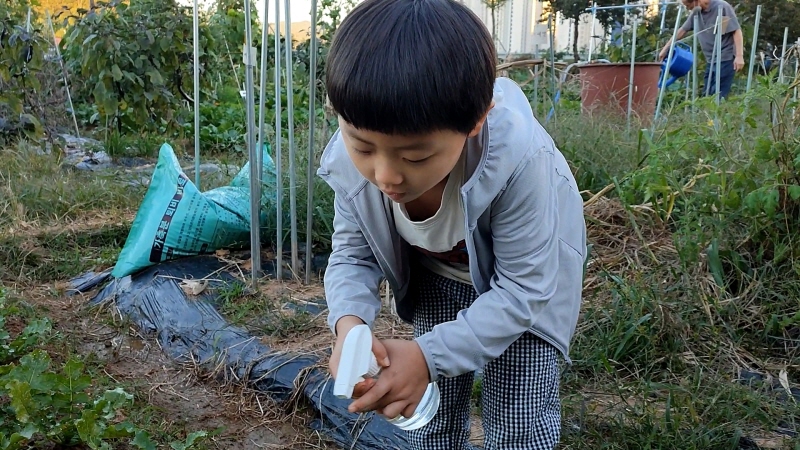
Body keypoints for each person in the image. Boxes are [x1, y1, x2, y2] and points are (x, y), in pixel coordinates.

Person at [317, 0, 587, 449]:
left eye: (416, 156)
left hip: (528, 290)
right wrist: (350, 326)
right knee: (430, 414)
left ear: (476, 121)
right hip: (439, 272)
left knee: (517, 416)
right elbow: (352, 254)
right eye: (363, 147)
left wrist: (425, 355)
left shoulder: (520, 164)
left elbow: (523, 290)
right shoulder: (353, 166)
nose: (386, 175)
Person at [658, 0, 745, 99]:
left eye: (688, 5)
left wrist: (739, 56)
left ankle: (718, 113)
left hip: (725, 56)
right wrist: (665, 49)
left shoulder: (721, 7)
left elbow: (736, 31)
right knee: (707, 94)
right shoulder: (697, 12)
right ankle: (709, 114)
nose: (687, 8)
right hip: (711, 59)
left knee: (718, 95)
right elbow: (682, 31)